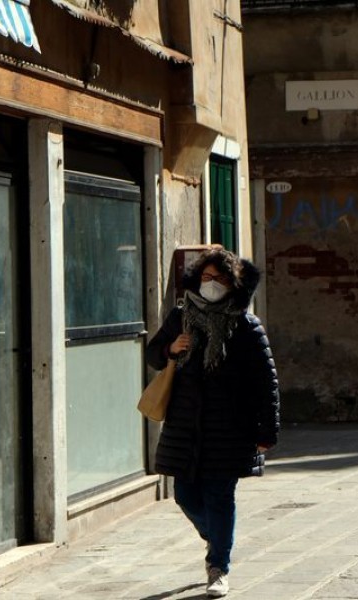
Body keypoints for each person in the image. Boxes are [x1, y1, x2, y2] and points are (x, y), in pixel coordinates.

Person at [146, 248, 280, 598]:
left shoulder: (247, 326)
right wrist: (171, 349)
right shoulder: (181, 317)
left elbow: (266, 382)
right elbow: (152, 354)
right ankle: (217, 535)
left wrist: (267, 432)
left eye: (218, 279)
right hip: (185, 427)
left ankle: (218, 565)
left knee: (220, 497)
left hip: (231, 429)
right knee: (185, 495)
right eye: (205, 277)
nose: (211, 284)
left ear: (232, 283)